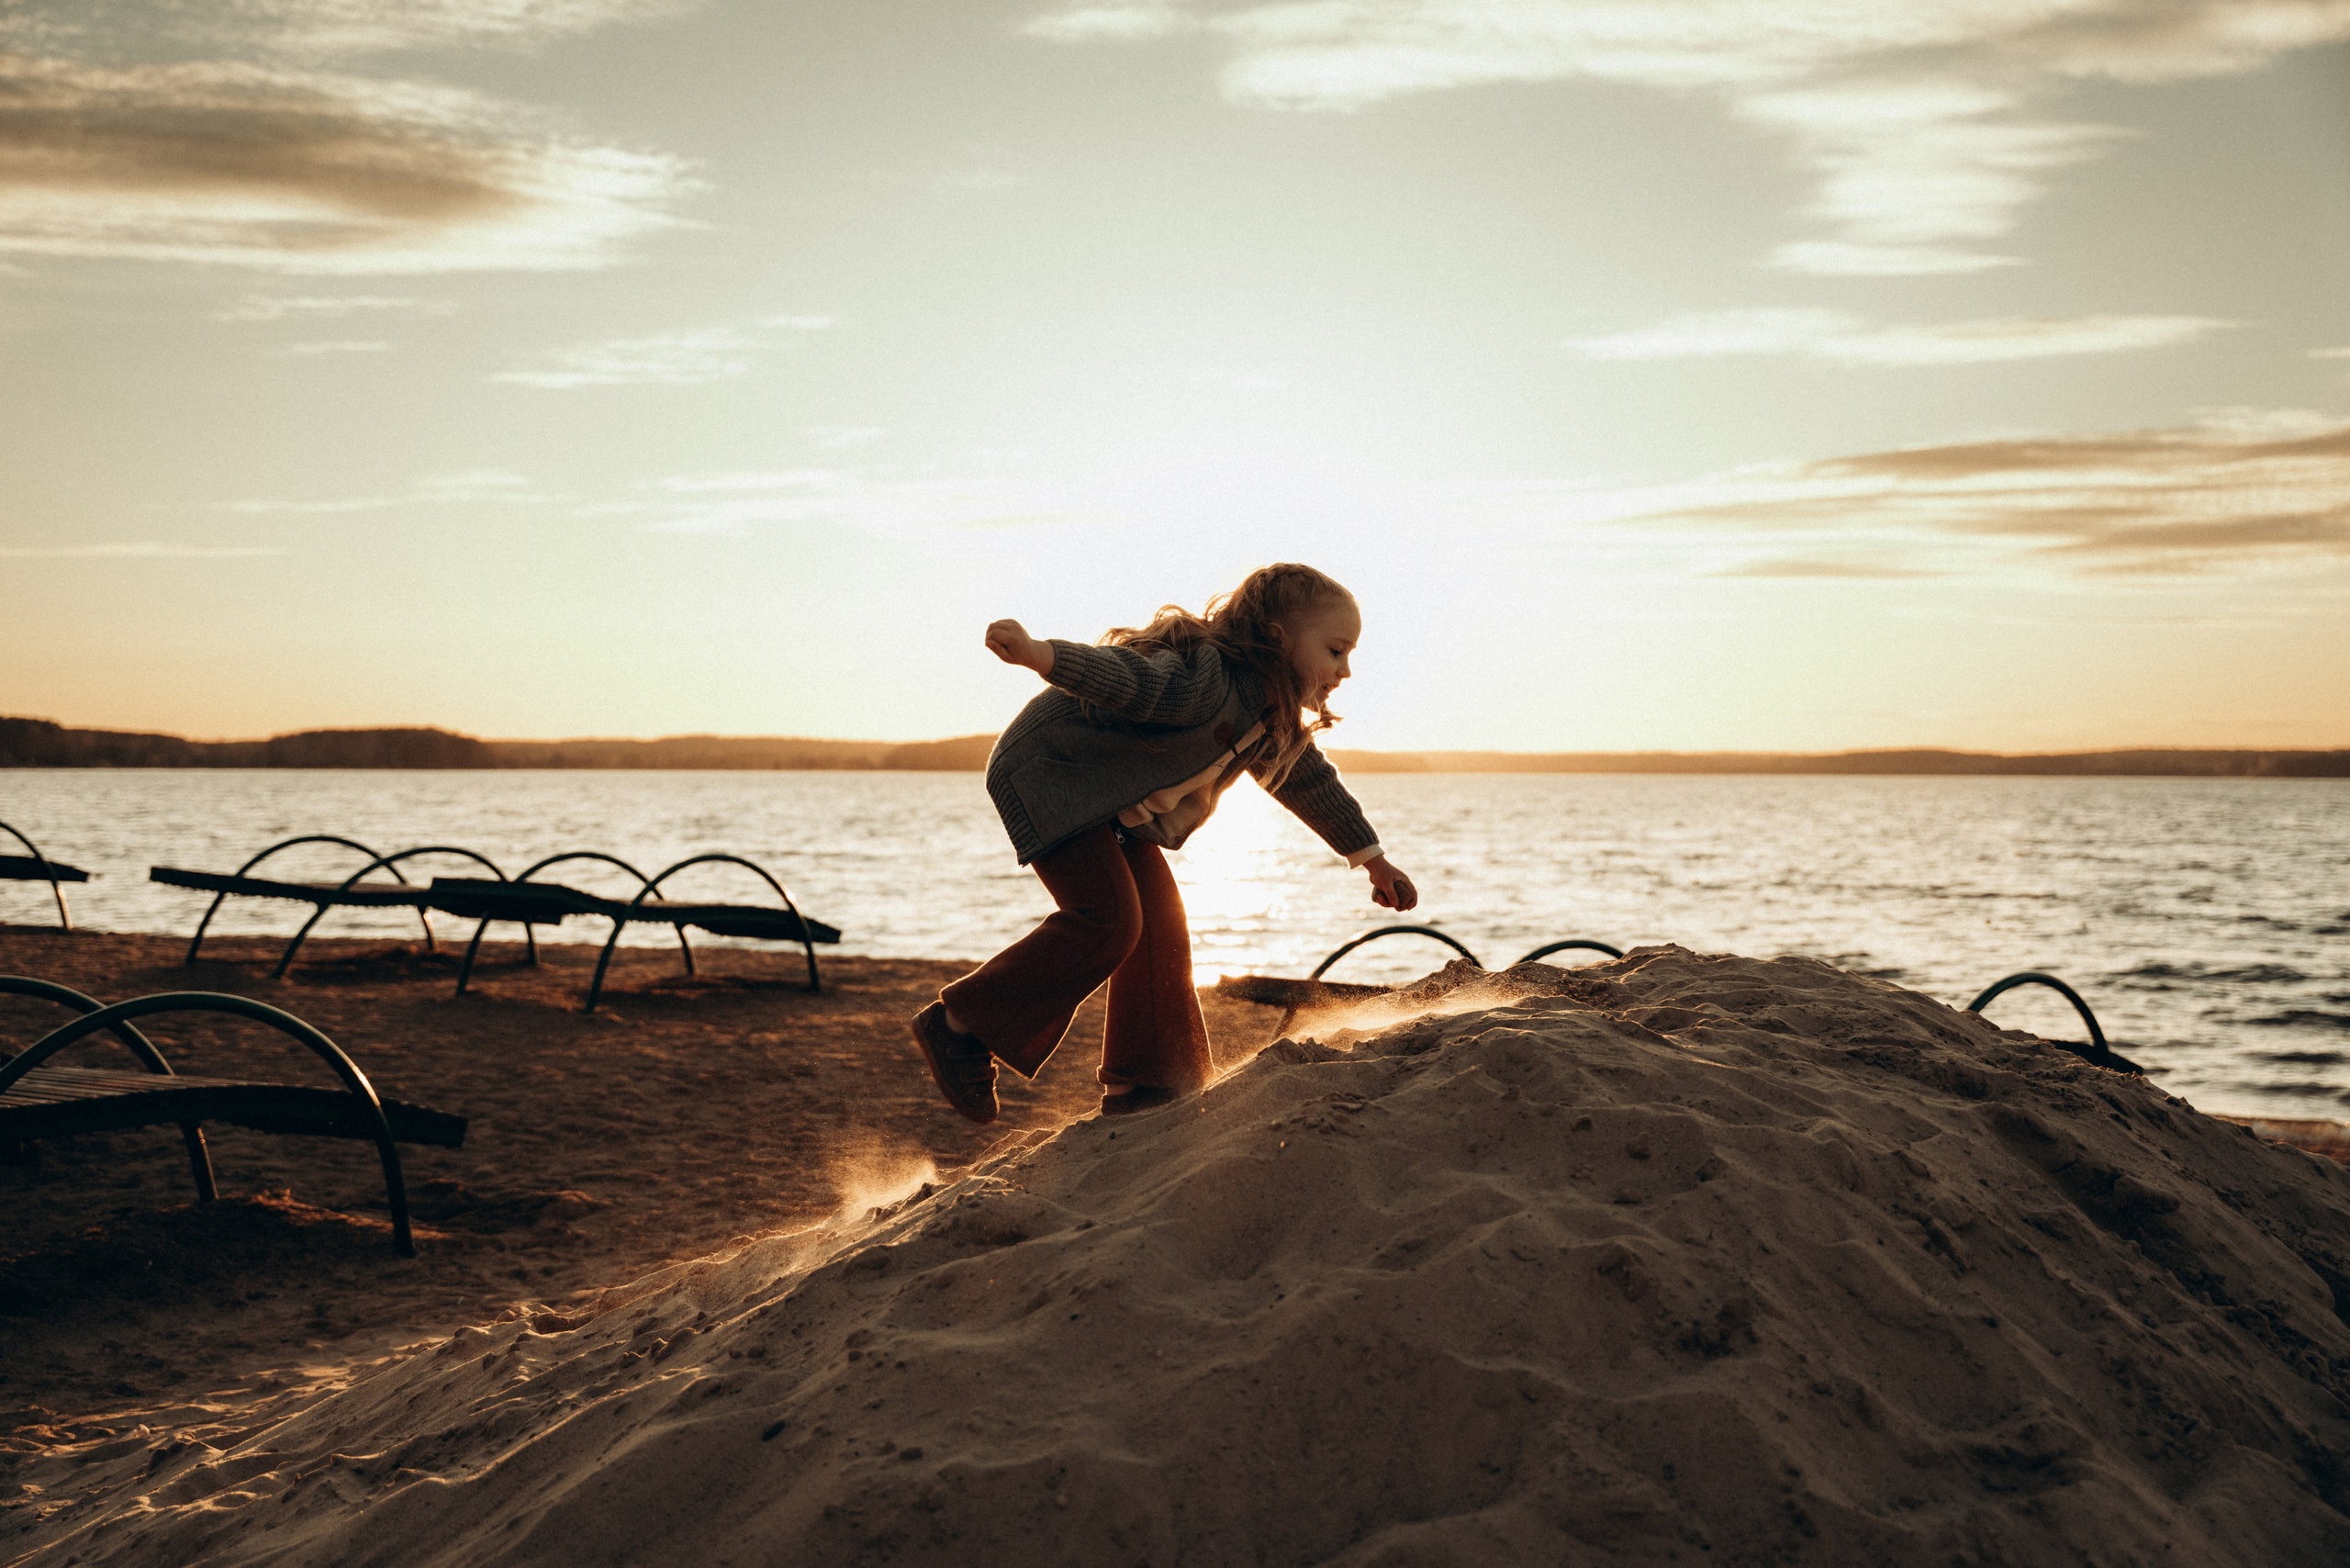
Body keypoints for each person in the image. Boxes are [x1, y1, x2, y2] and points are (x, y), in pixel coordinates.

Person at [909, 562, 1418, 1124]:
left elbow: (1308, 782)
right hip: (1052, 772)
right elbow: (1130, 681)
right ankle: (959, 1025)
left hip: (1107, 803)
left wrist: (1373, 860)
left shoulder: (1268, 715)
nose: (1345, 670)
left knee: (1161, 924)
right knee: (1109, 920)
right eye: (1335, 651)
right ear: (1279, 640)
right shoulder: (1207, 682)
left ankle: (1147, 1083)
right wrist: (1041, 655)